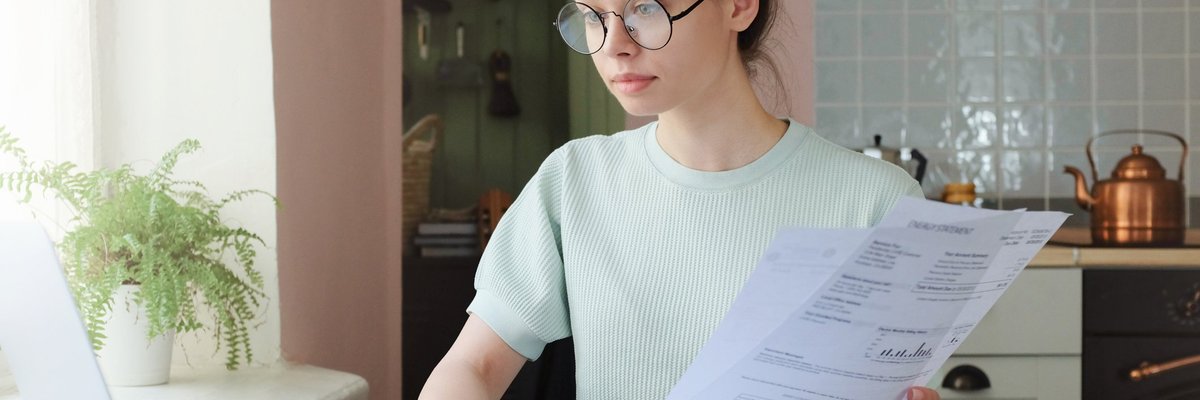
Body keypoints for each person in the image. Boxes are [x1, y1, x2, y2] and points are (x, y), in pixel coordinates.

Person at [419, 1, 942, 399]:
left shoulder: (877, 202)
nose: (614, 45)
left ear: (738, 6)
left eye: (646, 9)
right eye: (593, 16)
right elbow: (475, 366)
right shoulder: (573, 182)